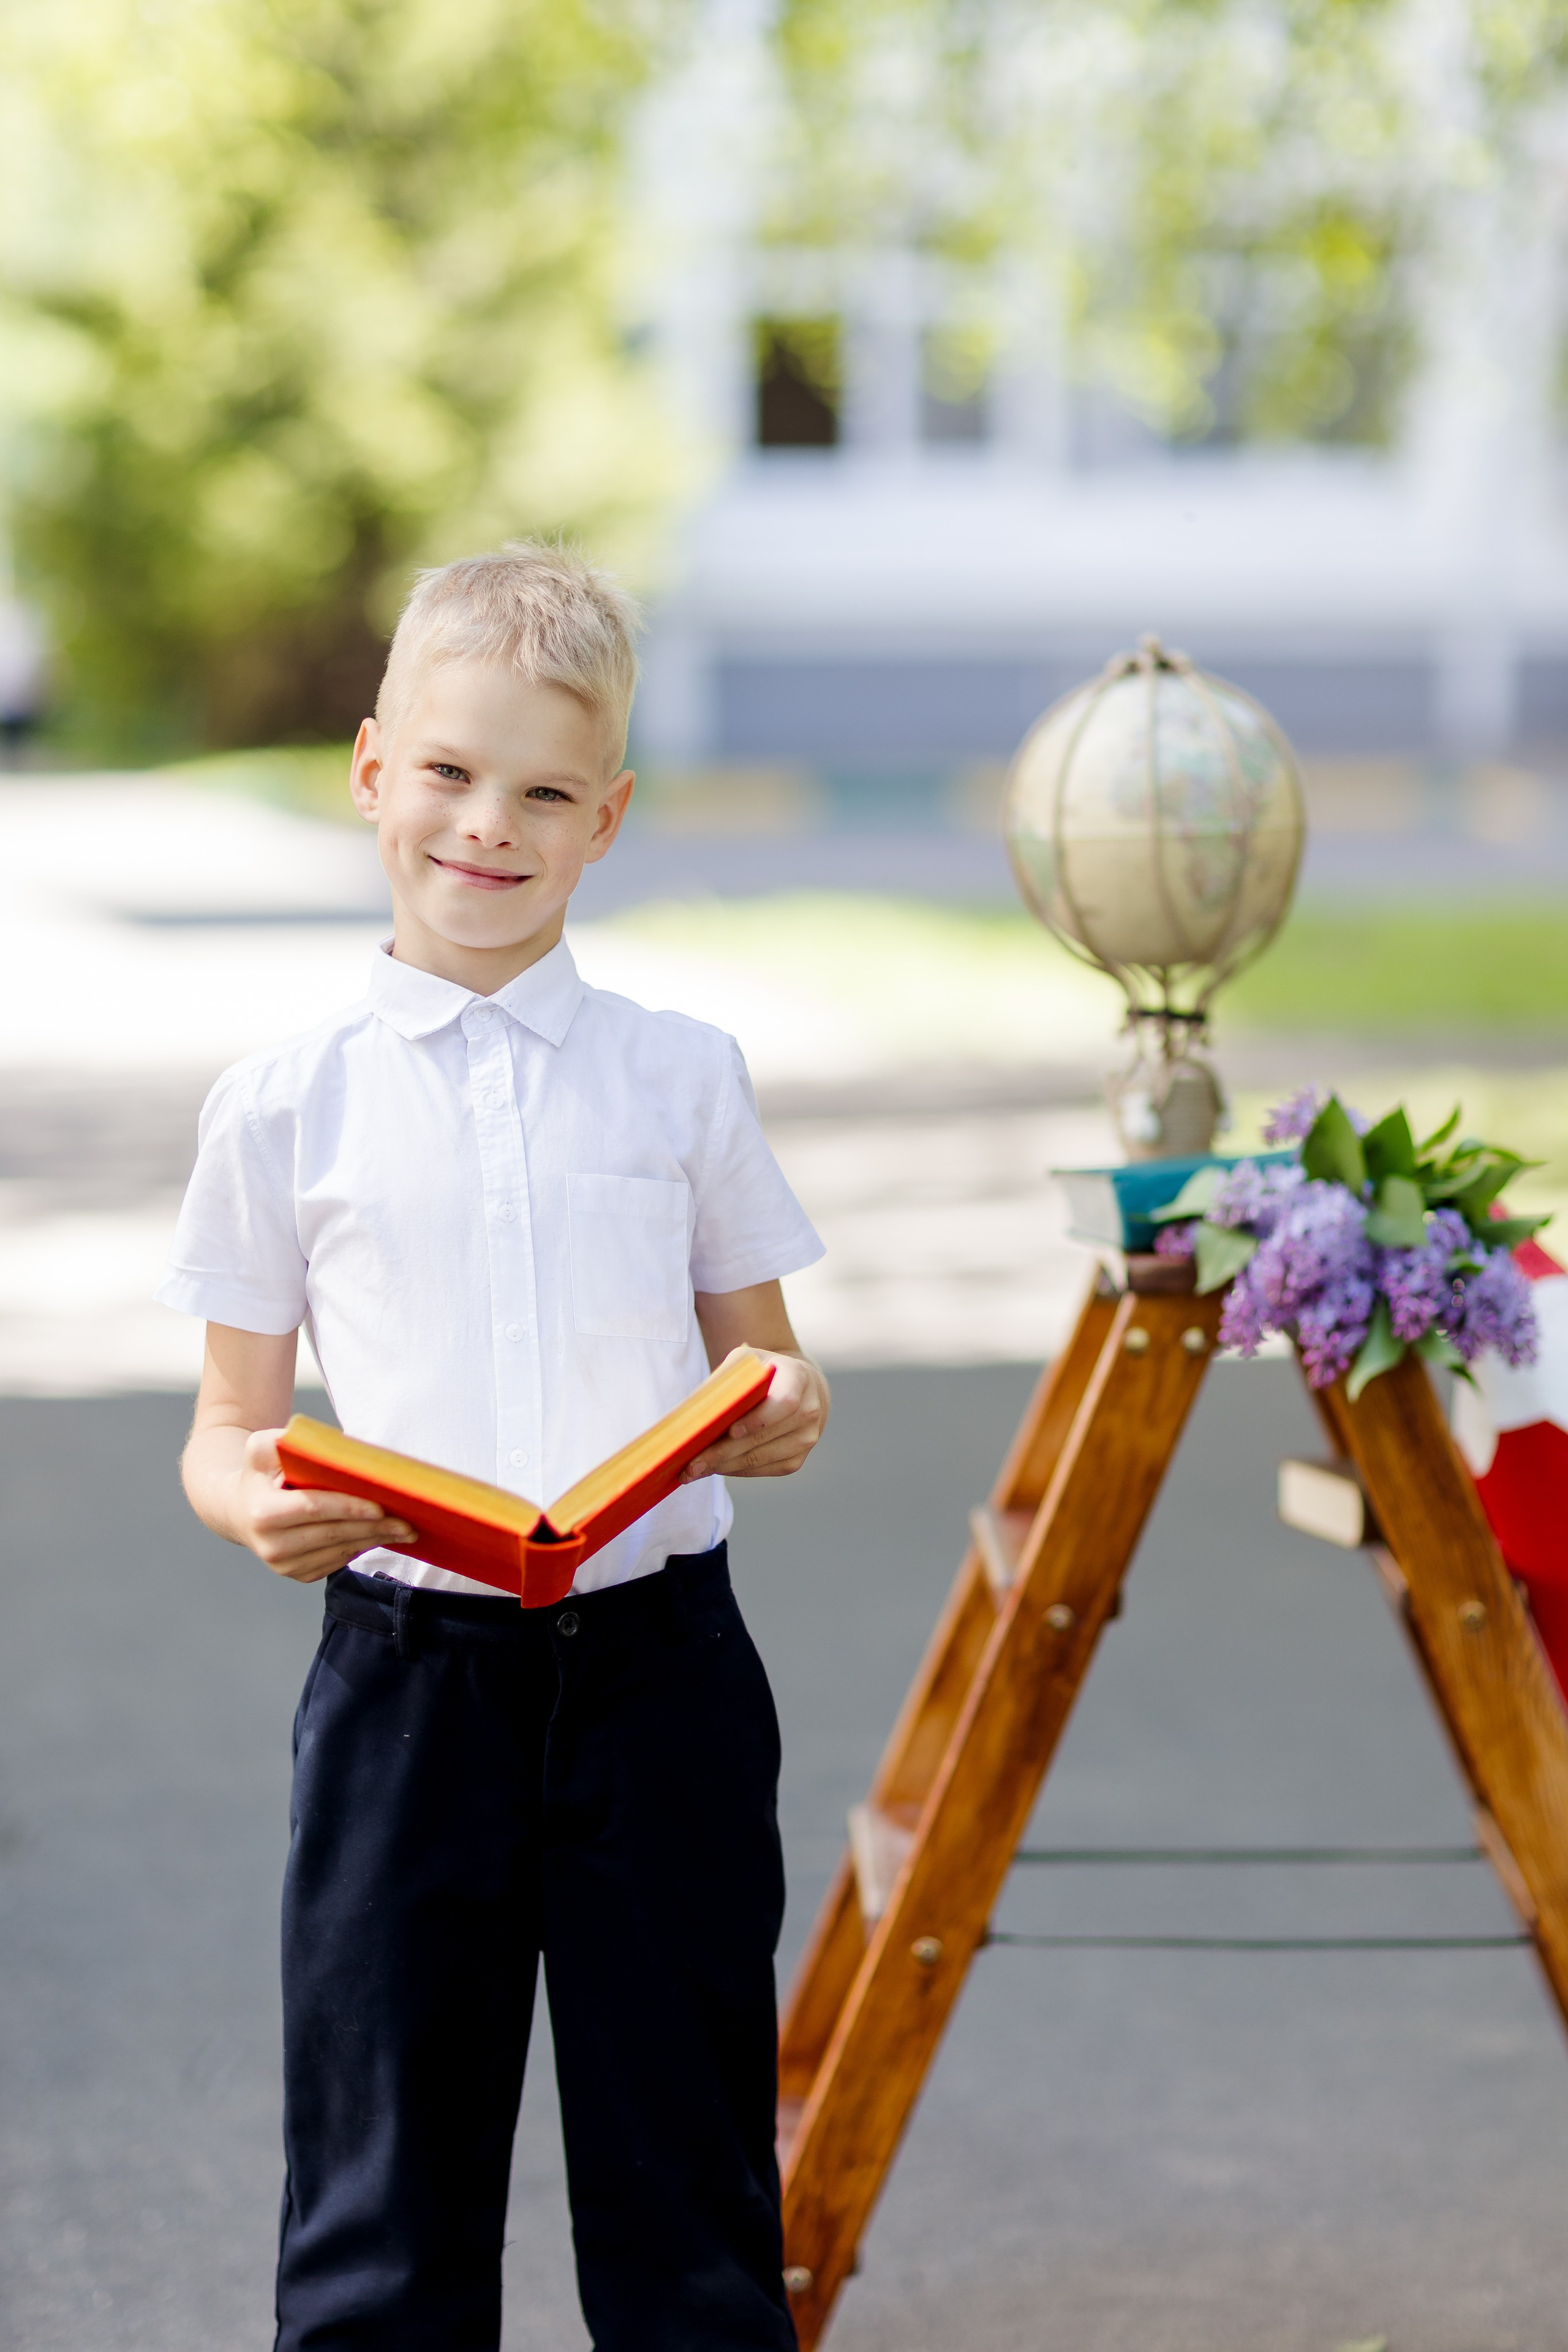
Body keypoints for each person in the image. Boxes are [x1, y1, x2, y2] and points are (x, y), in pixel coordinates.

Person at [159, 543, 829, 2352]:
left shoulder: (680, 1074)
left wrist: (779, 1413)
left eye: (545, 793)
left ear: (607, 819)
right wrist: (261, 1507)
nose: (490, 825)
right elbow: (227, 1429)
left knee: (687, 2185)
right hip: (406, 1683)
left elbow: (764, 1369)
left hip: (661, 1674)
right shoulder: (287, 1100)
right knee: (385, 2207)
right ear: (374, 769)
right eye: (451, 774)